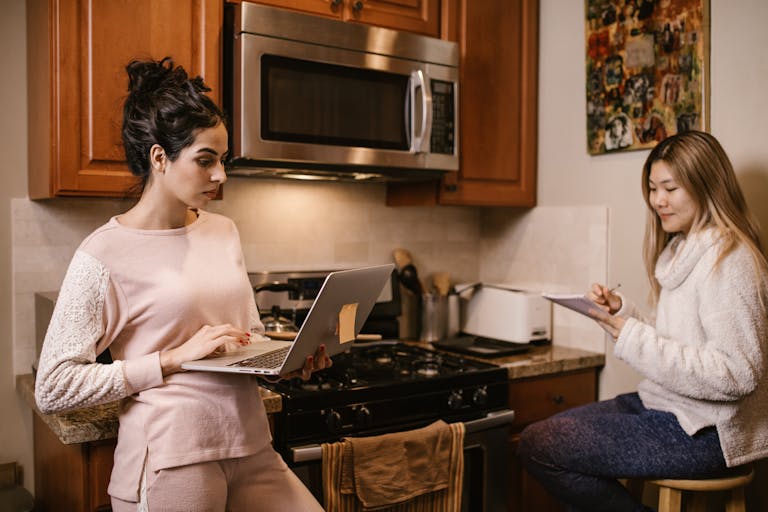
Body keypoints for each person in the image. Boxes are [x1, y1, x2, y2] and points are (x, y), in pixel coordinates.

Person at [34, 57, 330, 511]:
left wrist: (286, 361)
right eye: (205, 161)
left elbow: (246, 340)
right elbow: (54, 387)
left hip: (251, 445)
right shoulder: (102, 254)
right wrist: (170, 359)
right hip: (172, 456)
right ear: (159, 158)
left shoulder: (223, 230)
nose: (220, 175)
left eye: (223, 160)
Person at [518, 130, 768, 512]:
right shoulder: (683, 248)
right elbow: (681, 342)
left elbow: (736, 373)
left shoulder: (730, 260)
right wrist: (623, 314)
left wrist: (633, 337)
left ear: (706, 185)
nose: (657, 201)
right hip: (666, 407)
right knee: (541, 437)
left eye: (670, 188)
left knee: (544, 446)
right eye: (653, 188)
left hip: (709, 432)